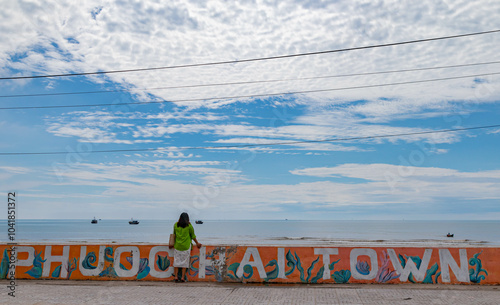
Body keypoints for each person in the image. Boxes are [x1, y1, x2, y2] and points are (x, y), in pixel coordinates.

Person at [170, 212, 202, 282]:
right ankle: (182, 278)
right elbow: (193, 236)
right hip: (186, 246)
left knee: (176, 262)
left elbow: (174, 234)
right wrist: (197, 243)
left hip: (177, 246)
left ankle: (175, 277)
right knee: (185, 262)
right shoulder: (189, 226)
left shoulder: (176, 225)